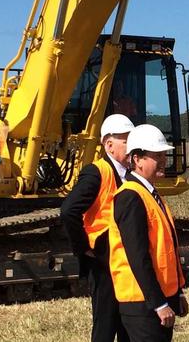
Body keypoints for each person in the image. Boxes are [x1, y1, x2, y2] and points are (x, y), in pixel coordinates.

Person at [108, 124, 188, 342]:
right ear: (137, 159)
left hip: (156, 298)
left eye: (164, 154)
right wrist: (159, 304)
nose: (163, 160)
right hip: (142, 303)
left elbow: (165, 247)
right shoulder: (130, 197)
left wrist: (176, 293)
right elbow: (138, 257)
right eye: (156, 155)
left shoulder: (150, 193)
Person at [61, 114, 134, 342]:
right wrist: (84, 248)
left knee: (126, 322)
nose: (132, 146)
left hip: (122, 260)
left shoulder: (130, 176)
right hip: (103, 262)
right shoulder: (96, 172)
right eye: (126, 140)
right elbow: (68, 211)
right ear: (109, 144)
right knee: (105, 323)